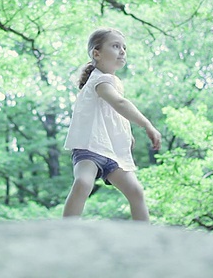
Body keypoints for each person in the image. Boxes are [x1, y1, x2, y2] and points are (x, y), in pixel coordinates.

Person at [63, 27, 162, 222]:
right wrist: (147, 124)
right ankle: (66, 232)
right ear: (96, 54)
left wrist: (127, 134)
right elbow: (120, 104)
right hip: (89, 148)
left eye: (124, 47)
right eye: (116, 46)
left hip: (113, 154)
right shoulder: (100, 79)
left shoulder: (113, 82)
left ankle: (144, 239)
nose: (122, 51)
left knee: (136, 192)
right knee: (83, 182)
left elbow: (113, 113)